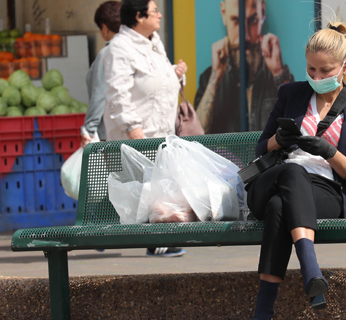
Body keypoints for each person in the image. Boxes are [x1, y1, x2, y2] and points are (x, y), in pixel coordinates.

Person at [246, 20, 346, 319]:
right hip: (274, 178)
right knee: (292, 173)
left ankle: (263, 310)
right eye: (311, 70)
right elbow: (260, 150)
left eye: (325, 71)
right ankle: (309, 266)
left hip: (324, 191)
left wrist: (330, 152)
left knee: (280, 207)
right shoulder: (290, 94)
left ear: (344, 67)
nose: (316, 77)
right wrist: (277, 141)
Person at [103, 0, 188, 257]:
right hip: (138, 135)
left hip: (160, 131)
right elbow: (118, 95)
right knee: (145, 190)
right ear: (139, 17)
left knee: (158, 188)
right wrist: (133, 130)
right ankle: (156, 241)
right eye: (154, 12)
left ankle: (161, 238)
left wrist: (176, 73)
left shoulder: (154, 42)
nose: (160, 15)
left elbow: (157, 79)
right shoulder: (119, 48)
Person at [194, 0, 294, 134]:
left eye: (253, 20)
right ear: (224, 14)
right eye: (236, 20)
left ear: (262, 12)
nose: (245, 36)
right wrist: (215, 79)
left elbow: (298, 126)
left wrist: (278, 73)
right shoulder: (210, 78)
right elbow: (194, 137)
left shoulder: (278, 75)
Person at [80, 1, 121, 147]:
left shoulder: (107, 54)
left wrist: (89, 131)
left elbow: (99, 95)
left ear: (104, 28)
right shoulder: (137, 50)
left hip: (109, 134)